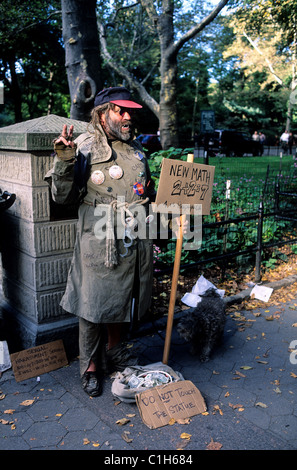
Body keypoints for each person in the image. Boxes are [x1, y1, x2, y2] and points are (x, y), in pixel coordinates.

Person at [45, 87, 157, 397]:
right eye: (120, 111)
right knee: (93, 302)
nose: (127, 116)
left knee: (122, 295)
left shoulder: (136, 149)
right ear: (102, 113)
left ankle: (115, 351)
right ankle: (91, 364)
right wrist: (65, 160)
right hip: (98, 235)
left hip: (133, 234)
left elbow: (143, 191)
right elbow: (62, 197)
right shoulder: (83, 146)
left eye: (129, 111)